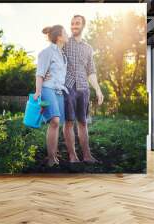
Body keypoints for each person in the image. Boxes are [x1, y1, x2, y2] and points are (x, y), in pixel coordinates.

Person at [63, 15, 104, 163]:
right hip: (68, 86)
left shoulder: (88, 48)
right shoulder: (65, 42)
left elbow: (91, 71)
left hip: (84, 88)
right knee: (68, 121)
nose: (74, 25)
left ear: (83, 26)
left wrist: (98, 90)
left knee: (83, 122)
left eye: (77, 23)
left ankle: (87, 155)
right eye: (72, 23)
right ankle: (73, 156)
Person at [34, 25, 69, 166]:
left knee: (57, 124)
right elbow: (40, 73)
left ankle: (53, 155)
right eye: (65, 33)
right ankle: (50, 158)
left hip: (59, 91)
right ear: (59, 37)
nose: (67, 35)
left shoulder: (63, 55)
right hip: (48, 88)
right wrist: (38, 92)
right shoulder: (47, 52)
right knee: (54, 121)